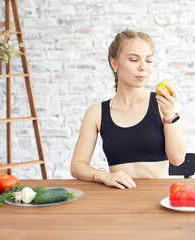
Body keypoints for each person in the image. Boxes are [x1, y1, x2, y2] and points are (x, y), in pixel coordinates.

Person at [70, 30, 187, 189]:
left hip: (158, 200)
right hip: (118, 201)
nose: (143, 67)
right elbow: (77, 165)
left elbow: (178, 159)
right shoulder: (96, 112)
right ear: (114, 63)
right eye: (133, 59)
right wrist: (104, 176)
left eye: (149, 60)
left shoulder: (163, 105)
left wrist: (169, 115)